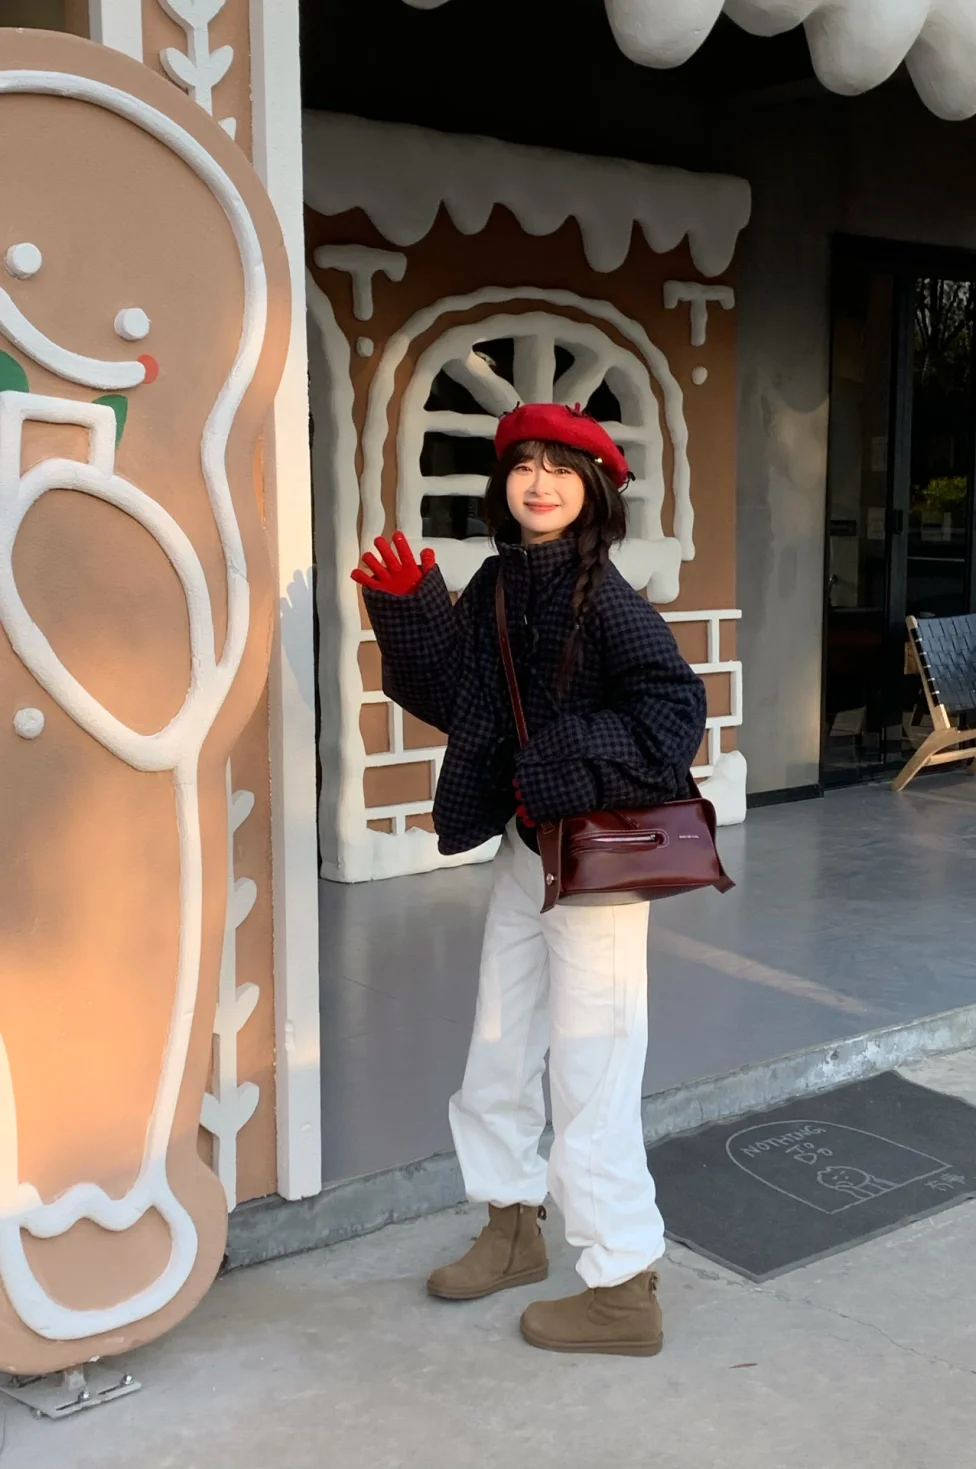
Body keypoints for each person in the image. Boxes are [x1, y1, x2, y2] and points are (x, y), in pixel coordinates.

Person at [352, 403, 706, 1356]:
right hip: (527, 847)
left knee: (593, 1066)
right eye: (522, 465)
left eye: (560, 467)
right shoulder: (501, 581)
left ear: (594, 489)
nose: (538, 482)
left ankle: (623, 1283)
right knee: (501, 1040)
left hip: (595, 858)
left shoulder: (608, 599)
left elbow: (674, 714)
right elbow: (457, 698)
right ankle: (511, 1225)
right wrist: (412, 610)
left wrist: (555, 763)